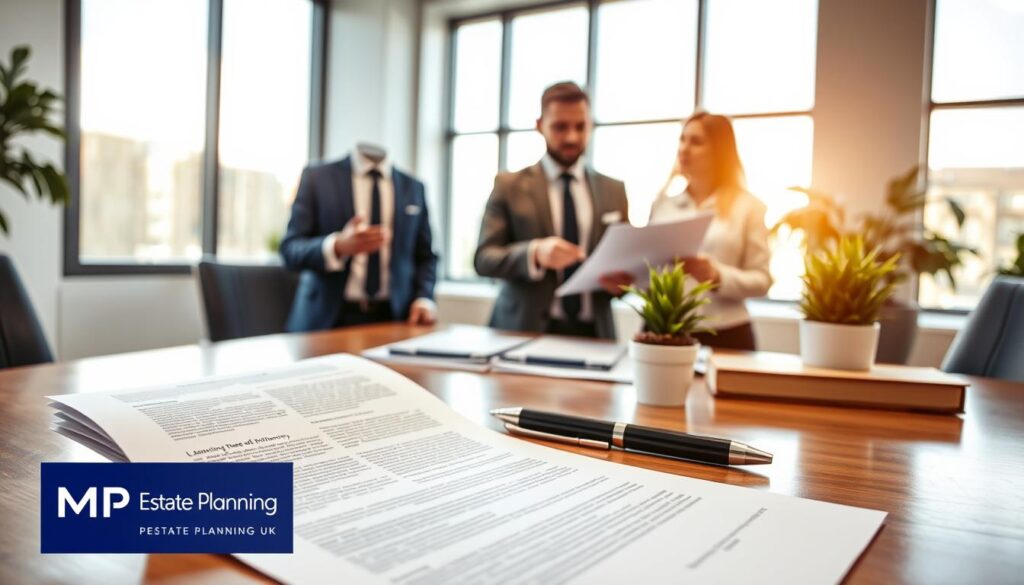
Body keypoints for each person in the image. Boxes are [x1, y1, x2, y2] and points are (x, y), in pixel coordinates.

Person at [474, 82, 633, 339]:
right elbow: (484, 259)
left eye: (580, 126)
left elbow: (625, 267)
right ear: (540, 125)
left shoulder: (614, 191)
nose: (571, 137)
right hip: (522, 332)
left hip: (595, 335)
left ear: (590, 124)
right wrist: (534, 253)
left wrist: (621, 283)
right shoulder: (509, 186)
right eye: (560, 127)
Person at [280, 144, 438, 331]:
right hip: (327, 319)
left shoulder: (413, 187)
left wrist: (423, 297)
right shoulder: (317, 177)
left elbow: (425, 256)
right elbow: (290, 250)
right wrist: (338, 246)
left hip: (394, 318)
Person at [648, 112, 772, 350]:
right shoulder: (662, 205)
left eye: (696, 142)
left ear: (720, 151)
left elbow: (762, 280)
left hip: (726, 334)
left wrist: (717, 275)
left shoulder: (748, 207)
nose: (684, 149)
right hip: (663, 331)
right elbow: (649, 273)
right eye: (682, 139)